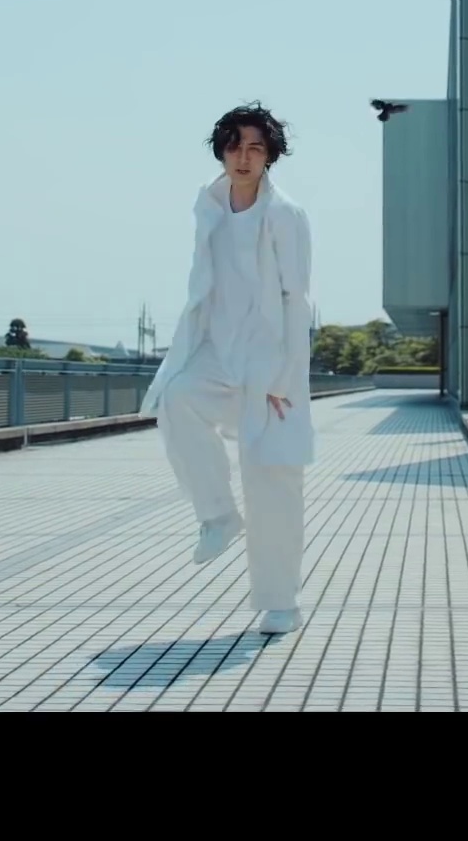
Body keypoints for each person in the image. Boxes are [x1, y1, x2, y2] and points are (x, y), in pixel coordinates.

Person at [139, 102, 315, 635]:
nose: (244, 156)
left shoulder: (285, 214)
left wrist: (284, 376)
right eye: (235, 145)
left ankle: (281, 602)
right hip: (217, 353)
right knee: (177, 399)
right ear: (221, 150)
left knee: (273, 480)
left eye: (256, 147)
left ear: (270, 156)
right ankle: (218, 515)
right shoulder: (209, 205)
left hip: (268, 364)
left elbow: (296, 298)